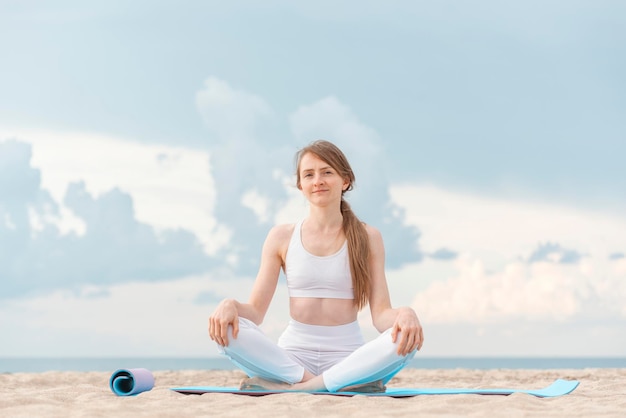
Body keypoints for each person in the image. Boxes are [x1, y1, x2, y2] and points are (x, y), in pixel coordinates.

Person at [208, 139, 424, 393]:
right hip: (293, 360)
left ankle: (295, 388)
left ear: (345, 181)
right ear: (301, 185)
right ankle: (324, 383)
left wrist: (405, 314)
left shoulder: (369, 237)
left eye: (327, 172)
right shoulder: (281, 237)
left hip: (347, 356)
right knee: (229, 330)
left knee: (402, 339)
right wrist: (229, 305)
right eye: (309, 174)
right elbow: (255, 313)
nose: (317, 180)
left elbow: (381, 317)